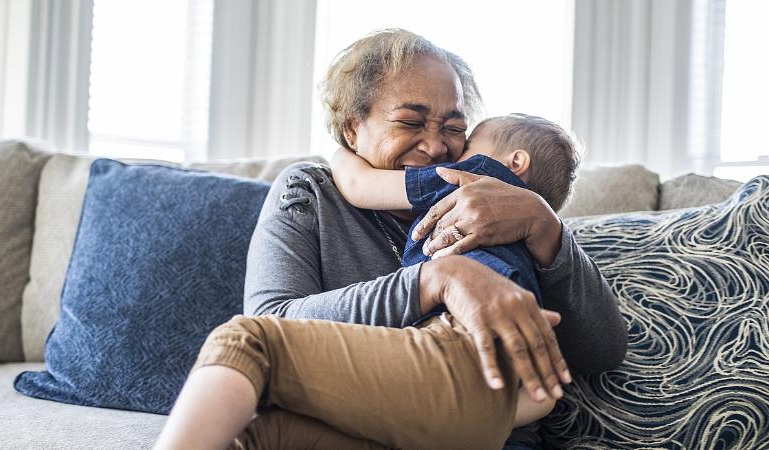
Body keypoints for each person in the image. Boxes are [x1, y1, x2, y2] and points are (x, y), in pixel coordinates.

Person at [155, 29, 627, 450]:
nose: (437, 145)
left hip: (486, 427)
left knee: (243, 342)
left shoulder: (498, 205)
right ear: (352, 128)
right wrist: (434, 279)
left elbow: (602, 351)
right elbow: (275, 318)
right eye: (410, 122)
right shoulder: (311, 193)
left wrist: (545, 226)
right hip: (365, 428)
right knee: (254, 438)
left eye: (454, 128)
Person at [331, 112, 580, 320]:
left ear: (515, 162)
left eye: (469, 145)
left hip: (465, 305)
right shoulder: (536, 242)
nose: (452, 155)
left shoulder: (471, 174)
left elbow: (359, 185)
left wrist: (341, 154)